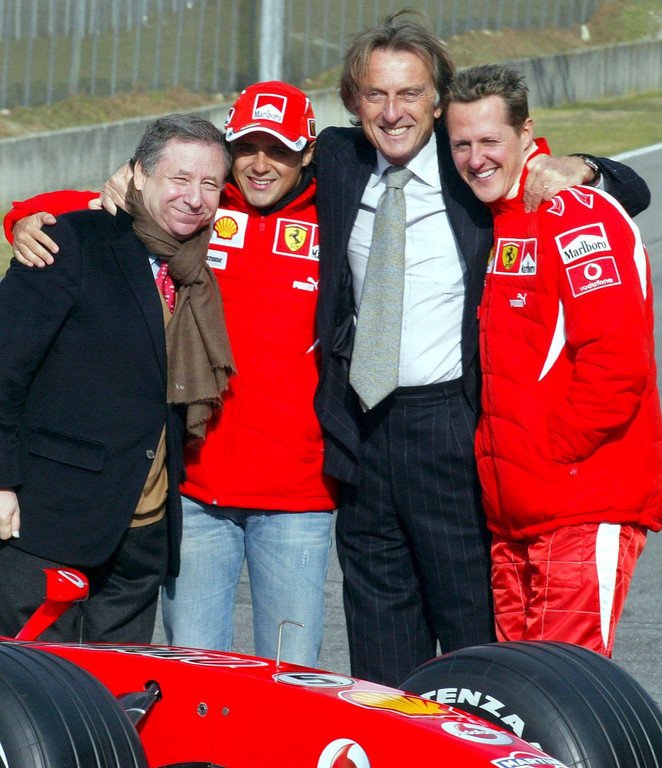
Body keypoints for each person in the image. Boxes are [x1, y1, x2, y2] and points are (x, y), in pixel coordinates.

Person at [312, 10, 651, 685]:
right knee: (380, 657)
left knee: (483, 652)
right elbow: (226, 175)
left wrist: (586, 166)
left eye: (410, 93)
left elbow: (624, 193)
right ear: (353, 101)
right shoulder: (338, 160)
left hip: (453, 429)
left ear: (437, 102)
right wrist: (110, 190)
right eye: (376, 94)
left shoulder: (470, 165)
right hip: (362, 433)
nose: (392, 111)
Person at [4, 82, 336, 666]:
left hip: (287, 497)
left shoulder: (332, 216)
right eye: (247, 148)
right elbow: (87, 212)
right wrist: (24, 219)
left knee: (287, 676)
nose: (261, 165)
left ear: (307, 153)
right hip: (190, 494)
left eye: (279, 150)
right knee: (181, 675)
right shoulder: (196, 213)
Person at [443, 63, 661, 656]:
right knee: (519, 698)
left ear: (525, 133)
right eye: (461, 144)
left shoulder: (577, 212)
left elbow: (617, 364)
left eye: (489, 140)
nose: (475, 159)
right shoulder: (500, 219)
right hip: (516, 515)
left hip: (578, 504)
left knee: (567, 690)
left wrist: (552, 456)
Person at [0, 114, 234, 643]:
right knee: (39, 683)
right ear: (138, 175)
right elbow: (5, 366)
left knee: (117, 687)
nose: (195, 197)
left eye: (209, 184)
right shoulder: (69, 242)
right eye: (179, 178)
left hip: (142, 535)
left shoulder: (195, 268)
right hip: (49, 523)